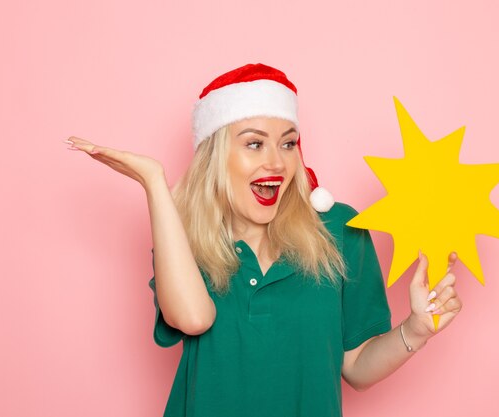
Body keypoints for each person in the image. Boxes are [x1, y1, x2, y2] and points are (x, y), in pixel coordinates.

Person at [65, 63, 462, 417]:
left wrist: (415, 331)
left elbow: (356, 367)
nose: (277, 161)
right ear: (215, 156)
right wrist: (154, 182)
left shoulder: (341, 229)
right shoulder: (181, 237)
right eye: (254, 143)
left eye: (288, 143)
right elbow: (192, 318)